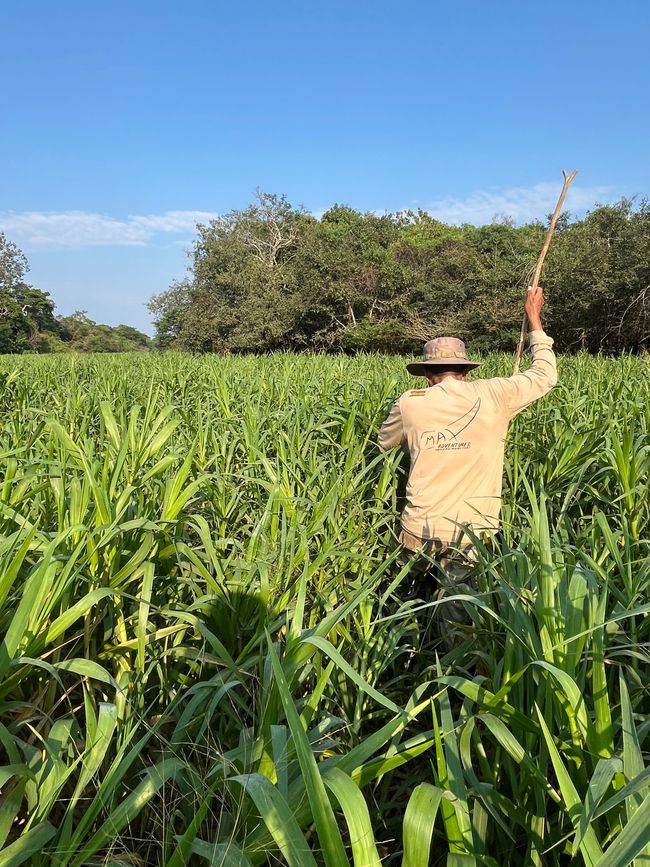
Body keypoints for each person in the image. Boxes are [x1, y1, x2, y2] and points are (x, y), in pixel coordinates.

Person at [377, 286, 557, 647]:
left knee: (407, 606)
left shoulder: (410, 402)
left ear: (428, 375)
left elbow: (384, 443)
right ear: (464, 370)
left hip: (418, 530)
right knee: (458, 619)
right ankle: (455, 685)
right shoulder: (495, 393)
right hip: (471, 535)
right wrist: (534, 319)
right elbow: (544, 376)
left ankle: (403, 659)